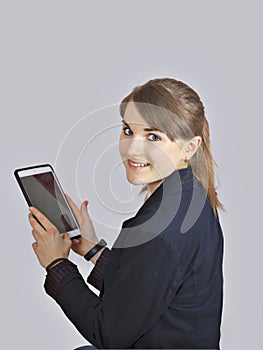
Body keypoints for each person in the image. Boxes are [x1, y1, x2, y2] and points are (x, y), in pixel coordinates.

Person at [28, 78, 224, 349]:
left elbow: (108, 334)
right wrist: (92, 249)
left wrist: (56, 265)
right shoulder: (191, 198)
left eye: (153, 137)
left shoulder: (159, 229)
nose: (133, 149)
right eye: (128, 131)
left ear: (190, 147)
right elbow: (145, 289)